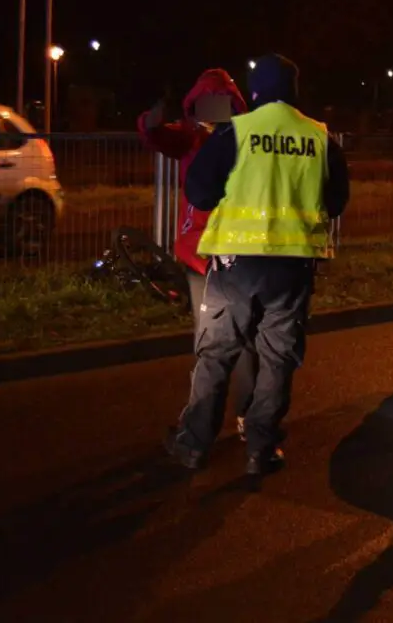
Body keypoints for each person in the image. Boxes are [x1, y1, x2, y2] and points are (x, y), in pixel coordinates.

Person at [166, 53, 350, 476]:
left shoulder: (238, 132)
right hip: (293, 268)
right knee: (277, 359)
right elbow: (337, 201)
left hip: (236, 265)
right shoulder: (319, 137)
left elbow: (199, 192)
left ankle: (193, 445)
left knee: (216, 355)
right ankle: (261, 449)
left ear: (254, 93)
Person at [137, 69, 259, 443]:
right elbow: (155, 133)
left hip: (227, 253)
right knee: (223, 341)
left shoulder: (243, 139)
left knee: (229, 342)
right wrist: (156, 113)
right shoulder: (194, 136)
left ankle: (215, 427)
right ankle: (225, 423)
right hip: (208, 256)